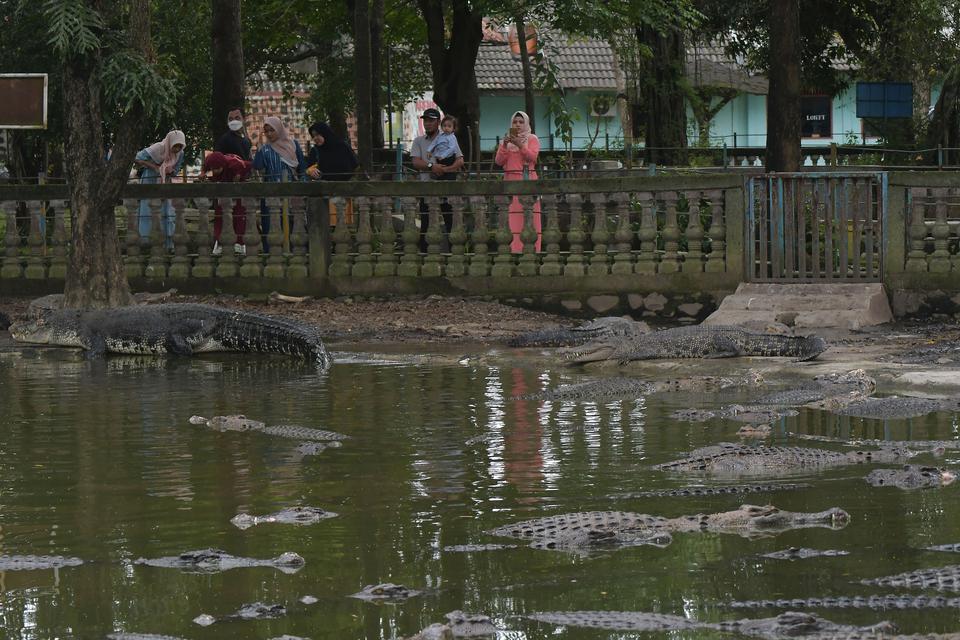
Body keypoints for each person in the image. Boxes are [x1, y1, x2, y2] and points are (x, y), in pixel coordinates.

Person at [409, 108, 464, 251]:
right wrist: (431, 167)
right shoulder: (418, 141)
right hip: (427, 187)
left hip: (446, 185)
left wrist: (445, 169)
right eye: (425, 121)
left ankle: (455, 255)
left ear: (438, 122)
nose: (428, 124)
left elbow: (460, 161)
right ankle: (424, 255)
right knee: (426, 222)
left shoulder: (449, 137)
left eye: (431, 121)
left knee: (450, 220)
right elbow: (415, 161)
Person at [252, 116, 306, 251]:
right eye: (267, 131)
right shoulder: (265, 149)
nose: (269, 134)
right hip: (271, 195)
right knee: (271, 226)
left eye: (272, 130)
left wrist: (303, 186)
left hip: (291, 194)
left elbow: (302, 168)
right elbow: (257, 166)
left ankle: (295, 255)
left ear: (279, 129)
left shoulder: (293, 144)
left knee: (293, 226)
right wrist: (258, 148)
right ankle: (271, 257)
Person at [495, 111, 541, 253]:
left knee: (530, 217)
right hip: (510, 183)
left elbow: (533, 157)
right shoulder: (506, 142)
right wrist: (504, 145)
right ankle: (514, 251)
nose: (518, 125)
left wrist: (521, 145)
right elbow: (499, 161)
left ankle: (532, 251)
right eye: (515, 122)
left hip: (528, 181)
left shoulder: (532, 138)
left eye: (521, 122)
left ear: (526, 123)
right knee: (512, 218)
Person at [134, 130, 186, 248]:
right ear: (170, 143)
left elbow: (176, 169)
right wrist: (157, 168)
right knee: (148, 208)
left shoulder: (180, 154)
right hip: (150, 180)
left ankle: (167, 243)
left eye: (180, 146)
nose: (177, 149)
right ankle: (147, 242)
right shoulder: (157, 148)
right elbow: (137, 158)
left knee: (167, 211)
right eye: (175, 146)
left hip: (166, 182)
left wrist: (170, 171)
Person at [199, 151, 252, 255]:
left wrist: (238, 175)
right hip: (222, 191)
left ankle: (239, 244)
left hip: (237, 189)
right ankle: (220, 242)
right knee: (219, 216)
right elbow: (205, 168)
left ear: (223, 165)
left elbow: (248, 165)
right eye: (213, 169)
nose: (215, 171)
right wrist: (202, 173)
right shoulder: (209, 161)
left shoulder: (233, 163)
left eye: (217, 169)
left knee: (239, 216)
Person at [426, 115, 462, 181]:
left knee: (449, 174)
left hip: (448, 158)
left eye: (449, 126)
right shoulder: (440, 136)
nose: (446, 128)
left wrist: (443, 156)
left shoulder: (452, 137)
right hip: (440, 158)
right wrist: (429, 150)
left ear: (453, 128)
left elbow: (451, 149)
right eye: (444, 126)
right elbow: (434, 142)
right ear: (442, 127)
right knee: (440, 173)